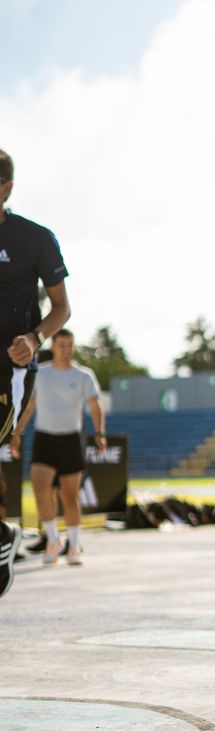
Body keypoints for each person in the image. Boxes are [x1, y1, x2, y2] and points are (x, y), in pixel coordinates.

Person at [0, 149, 70, 597]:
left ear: (5, 188)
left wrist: (35, 338)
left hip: (9, 367)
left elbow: (62, 307)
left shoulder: (35, 238)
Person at [11, 329, 105, 565]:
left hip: (70, 440)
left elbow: (95, 406)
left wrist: (100, 433)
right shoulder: (40, 373)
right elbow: (29, 406)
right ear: (53, 346)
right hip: (44, 439)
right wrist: (17, 433)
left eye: (69, 345)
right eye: (61, 345)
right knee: (40, 490)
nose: (66, 349)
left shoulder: (83, 375)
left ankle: (74, 546)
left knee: (69, 495)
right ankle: (53, 540)